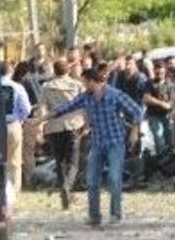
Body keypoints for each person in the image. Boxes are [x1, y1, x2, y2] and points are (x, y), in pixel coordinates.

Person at [45, 67, 145, 226]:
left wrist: (134, 131)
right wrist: (40, 120)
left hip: (115, 143)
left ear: (92, 81)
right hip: (97, 143)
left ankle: (115, 215)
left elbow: (137, 111)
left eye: (85, 83)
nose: (84, 86)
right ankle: (94, 216)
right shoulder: (86, 97)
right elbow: (64, 108)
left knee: (114, 178)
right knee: (91, 180)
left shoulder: (115, 95)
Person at [37, 58, 86, 210]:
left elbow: (42, 108)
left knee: (59, 161)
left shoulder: (46, 87)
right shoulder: (77, 85)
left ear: (54, 70)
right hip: (73, 125)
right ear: (68, 70)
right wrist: (87, 122)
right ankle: (67, 186)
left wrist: (41, 126)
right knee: (74, 163)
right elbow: (85, 105)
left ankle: (64, 189)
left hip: (54, 127)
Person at [0, 65, 32, 199]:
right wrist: (21, 119)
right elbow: (26, 109)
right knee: (14, 160)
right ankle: (13, 192)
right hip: (12, 125)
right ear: (11, 72)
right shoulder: (17, 87)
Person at [143, 61, 175, 157]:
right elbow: (146, 98)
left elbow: (173, 100)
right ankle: (161, 159)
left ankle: (170, 161)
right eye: (157, 73)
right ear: (154, 72)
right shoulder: (149, 83)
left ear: (165, 72)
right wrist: (161, 103)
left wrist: (172, 108)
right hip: (154, 116)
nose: (160, 75)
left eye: (162, 73)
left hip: (167, 116)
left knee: (169, 140)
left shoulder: (170, 83)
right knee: (158, 139)